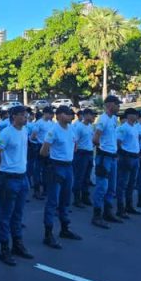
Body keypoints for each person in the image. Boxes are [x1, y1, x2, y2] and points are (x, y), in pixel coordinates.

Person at [0, 105, 34, 264]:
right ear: (14, 116)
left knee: (18, 214)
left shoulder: (25, 131)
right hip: (9, 178)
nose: (26, 118)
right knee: (5, 215)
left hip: (22, 178)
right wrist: (7, 166)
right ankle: (4, 248)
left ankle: (17, 244)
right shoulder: (6, 133)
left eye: (26, 115)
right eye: (23, 115)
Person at [40, 105, 82, 248]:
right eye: (67, 114)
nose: (70, 116)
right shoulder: (53, 131)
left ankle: (65, 228)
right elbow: (43, 151)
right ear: (58, 116)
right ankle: (48, 233)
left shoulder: (71, 129)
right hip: (56, 167)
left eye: (71, 114)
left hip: (68, 166)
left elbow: (74, 144)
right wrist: (53, 160)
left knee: (65, 199)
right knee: (53, 201)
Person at [92, 96, 121, 223]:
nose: (119, 107)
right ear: (110, 105)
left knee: (111, 187)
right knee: (102, 186)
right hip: (104, 157)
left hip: (113, 156)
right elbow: (95, 138)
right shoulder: (102, 119)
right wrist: (102, 150)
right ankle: (97, 215)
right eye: (117, 104)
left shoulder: (114, 119)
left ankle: (108, 212)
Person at [115, 108, 141, 218]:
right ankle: (120, 208)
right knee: (123, 183)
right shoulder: (123, 128)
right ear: (130, 115)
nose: (137, 117)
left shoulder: (134, 127)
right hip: (127, 157)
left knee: (131, 183)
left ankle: (129, 206)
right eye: (135, 114)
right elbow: (118, 142)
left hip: (135, 157)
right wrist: (123, 154)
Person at [71, 108, 95, 209]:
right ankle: (77, 199)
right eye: (91, 115)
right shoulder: (79, 127)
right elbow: (74, 141)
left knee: (87, 177)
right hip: (81, 154)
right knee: (79, 177)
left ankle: (85, 196)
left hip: (89, 153)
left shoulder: (90, 126)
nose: (93, 117)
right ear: (85, 115)